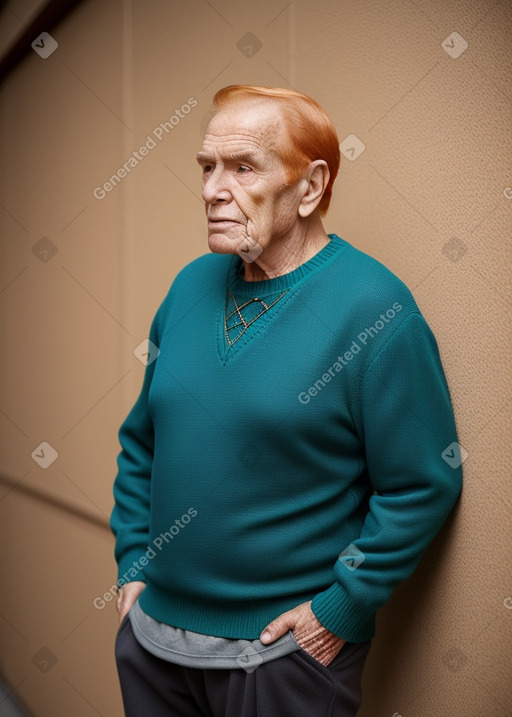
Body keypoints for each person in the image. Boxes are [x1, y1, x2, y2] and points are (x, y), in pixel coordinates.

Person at [111, 84, 463, 717]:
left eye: (243, 167)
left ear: (309, 187)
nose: (213, 189)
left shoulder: (374, 309)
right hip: (154, 640)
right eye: (207, 166)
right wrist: (134, 564)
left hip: (277, 659)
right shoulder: (189, 286)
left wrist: (340, 609)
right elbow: (143, 440)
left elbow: (422, 482)